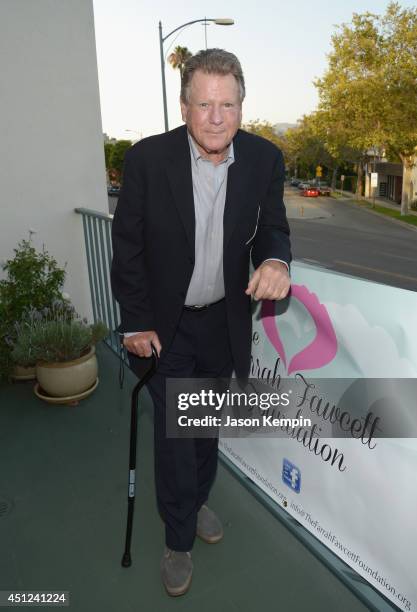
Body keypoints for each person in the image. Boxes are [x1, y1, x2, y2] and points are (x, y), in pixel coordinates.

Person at [111, 48, 291, 597]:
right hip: (166, 325)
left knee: (206, 423)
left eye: (228, 105)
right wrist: (136, 321)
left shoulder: (264, 159)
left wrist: (276, 261)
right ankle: (178, 536)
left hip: (224, 320)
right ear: (185, 106)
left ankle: (195, 498)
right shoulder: (147, 159)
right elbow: (129, 248)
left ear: (242, 106)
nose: (217, 117)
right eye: (205, 104)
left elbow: (273, 228)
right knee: (175, 434)